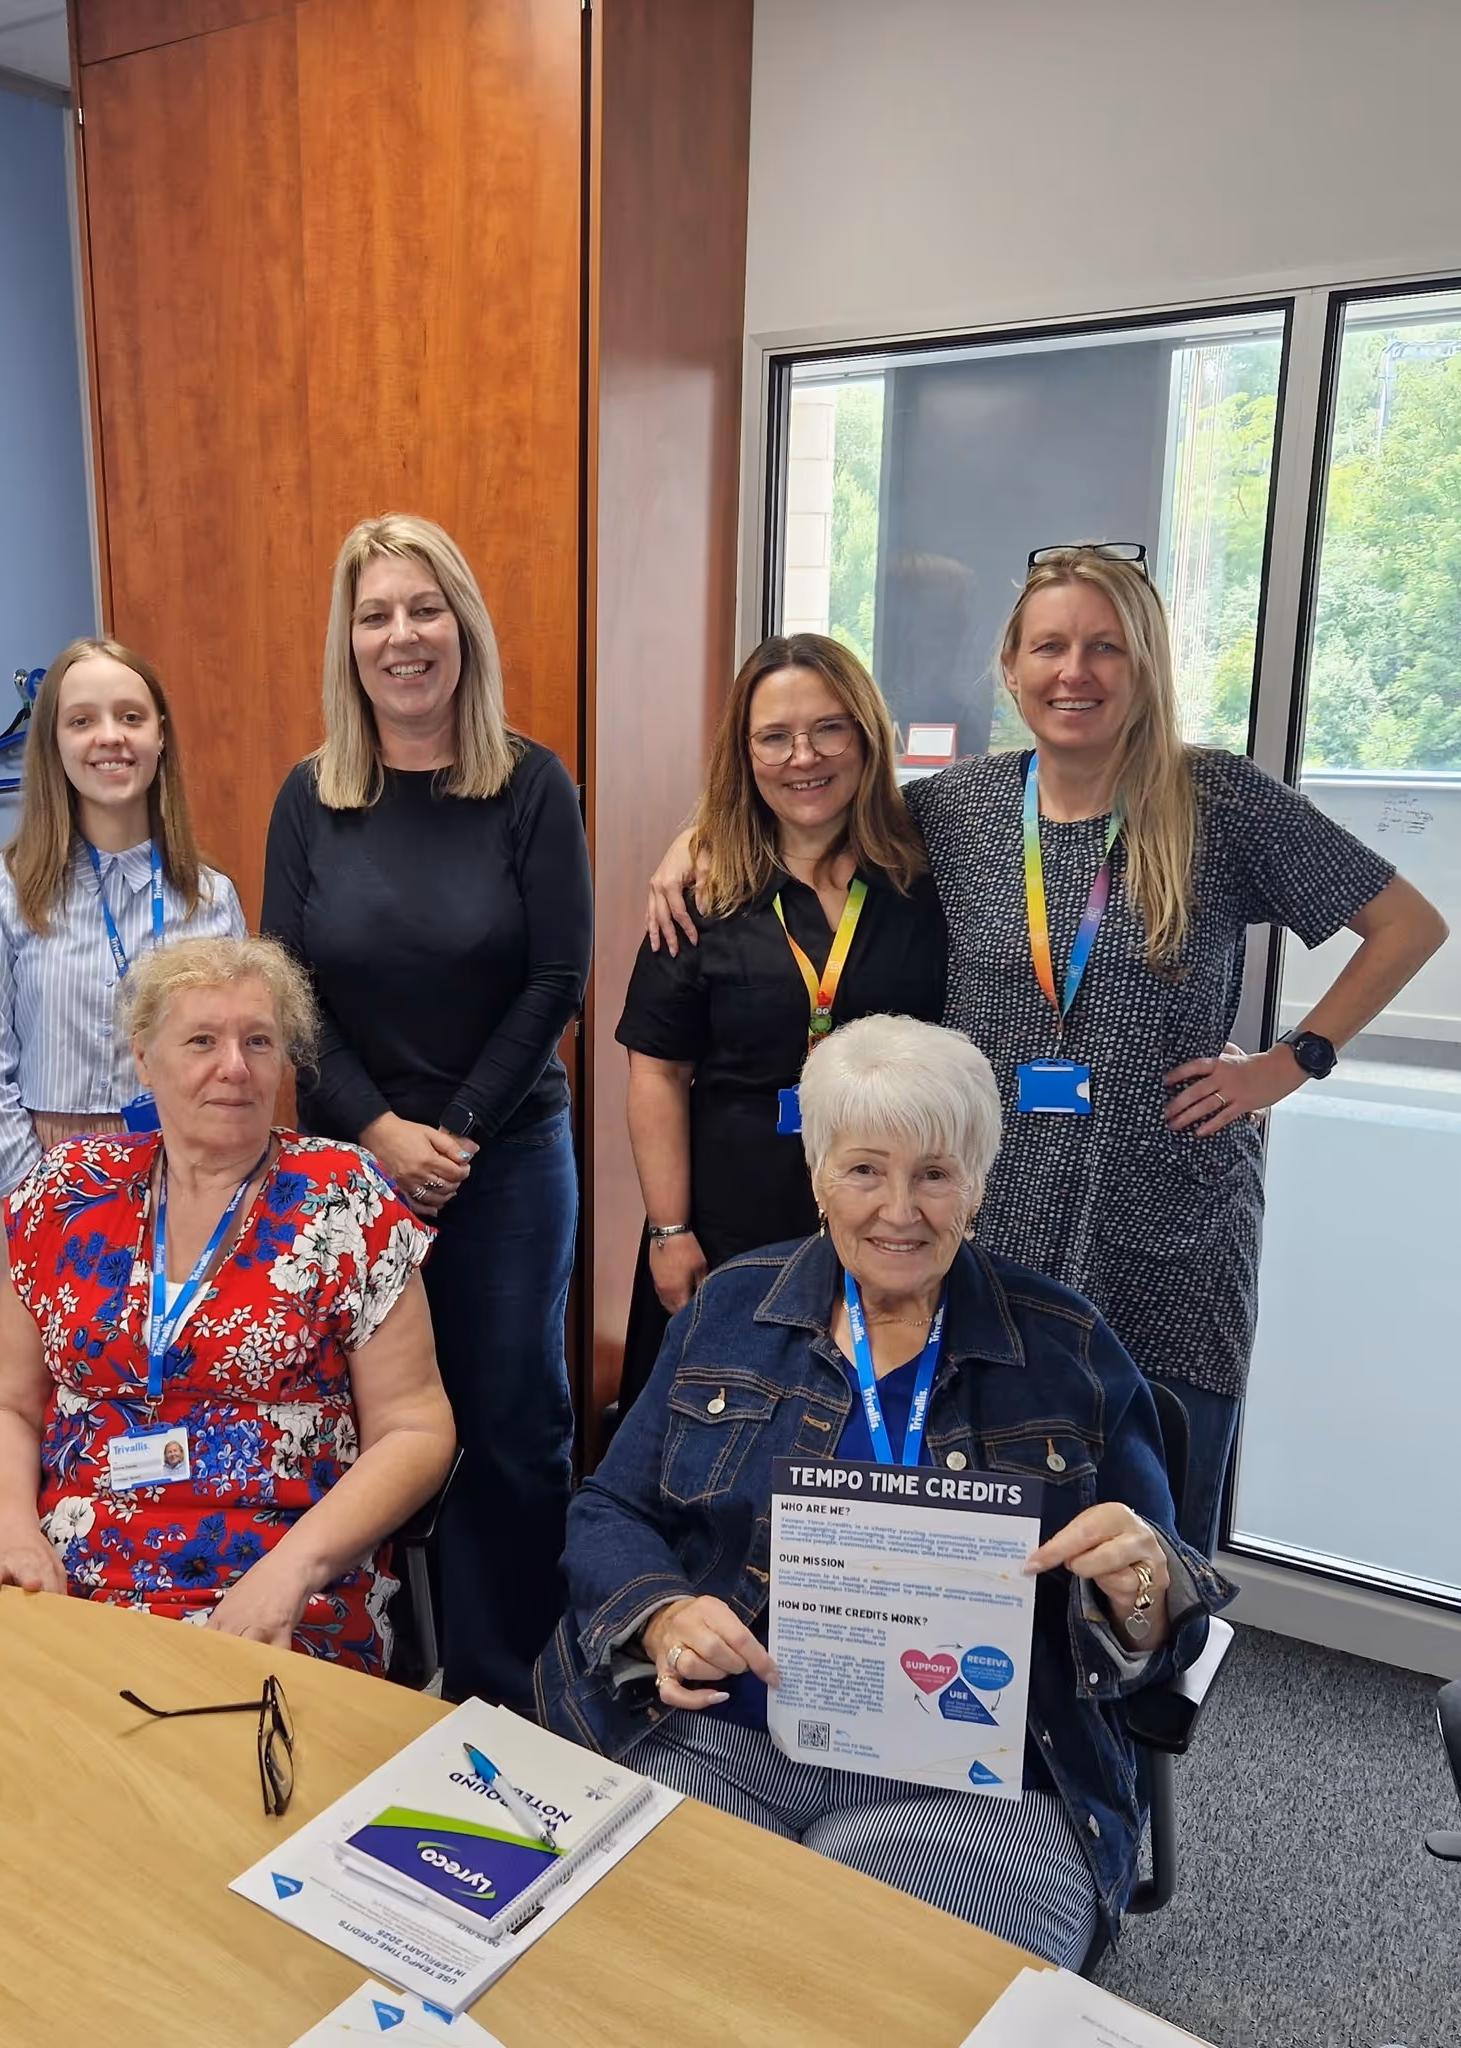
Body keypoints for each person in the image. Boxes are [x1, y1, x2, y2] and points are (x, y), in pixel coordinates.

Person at [646, 546, 1447, 1552]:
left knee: (1151, 1542)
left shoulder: (1217, 800)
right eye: (1050, 646)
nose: (1075, 670)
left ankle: (1145, 1708)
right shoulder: (958, 807)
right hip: (992, 1221)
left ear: (1143, 663)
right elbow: (806, 805)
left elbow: (1407, 924)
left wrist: (1288, 1061)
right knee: (989, 1536)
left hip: (1163, 1221)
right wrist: (688, 846)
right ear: (1011, 668)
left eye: (1103, 646)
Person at [536, 1015, 1231, 1967]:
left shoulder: (1067, 1348)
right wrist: (659, 1616)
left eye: (934, 1174)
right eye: (865, 1169)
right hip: (717, 1733)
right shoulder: (731, 1307)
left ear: (978, 1183)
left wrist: (1142, 1592)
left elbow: (1165, 1619)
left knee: (905, 1999)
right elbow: (610, 1511)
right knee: (631, 1971)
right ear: (820, 1176)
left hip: (979, 1787)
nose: (900, 1208)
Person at [262, 513, 592, 1711]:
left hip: (503, 1161)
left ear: (461, 625)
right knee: (368, 1421)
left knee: (509, 1426)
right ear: (349, 644)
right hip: (346, 1168)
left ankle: (513, 1688)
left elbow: (556, 976)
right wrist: (379, 1133)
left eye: (421, 608)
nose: (400, 636)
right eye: (374, 615)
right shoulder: (311, 796)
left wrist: (449, 1132)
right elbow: (285, 987)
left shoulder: (528, 780)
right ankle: (385, 1676)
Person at [0, 935, 457, 1674]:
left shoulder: (345, 1200)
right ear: (144, 1058)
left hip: (279, 1582)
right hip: (69, 1577)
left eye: (258, 1041)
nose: (234, 1067)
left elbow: (415, 1428)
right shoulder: (68, 1193)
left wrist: (290, 1573)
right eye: (201, 1040)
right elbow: (3, 1405)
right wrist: (7, 1538)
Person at [615, 632, 946, 1413]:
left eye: (828, 728)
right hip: (731, 1217)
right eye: (775, 737)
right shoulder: (701, 892)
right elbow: (656, 1070)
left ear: (865, 735)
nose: (804, 757)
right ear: (745, 752)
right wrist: (670, 1230)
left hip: (889, 1217)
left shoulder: (922, 875)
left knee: (865, 1430)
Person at [0, 636, 245, 1339]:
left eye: (130, 717)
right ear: (52, 742)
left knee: (169, 1376)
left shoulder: (210, 899)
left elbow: (234, 1066)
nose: (109, 738)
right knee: (45, 1397)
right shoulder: (8, 887)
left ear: (160, 736)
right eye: (82, 720)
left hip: (184, 1168)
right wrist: (40, 1197)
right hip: (42, 1165)